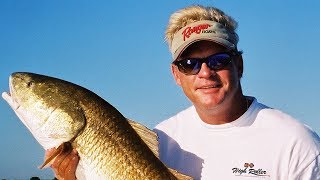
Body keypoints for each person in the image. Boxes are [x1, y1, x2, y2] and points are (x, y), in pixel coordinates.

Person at [5, 4, 319, 180]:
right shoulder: (163, 139)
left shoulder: (297, 145)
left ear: (239, 65)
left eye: (219, 60)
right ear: (175, 74)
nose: (205, 73)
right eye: (190, 63)